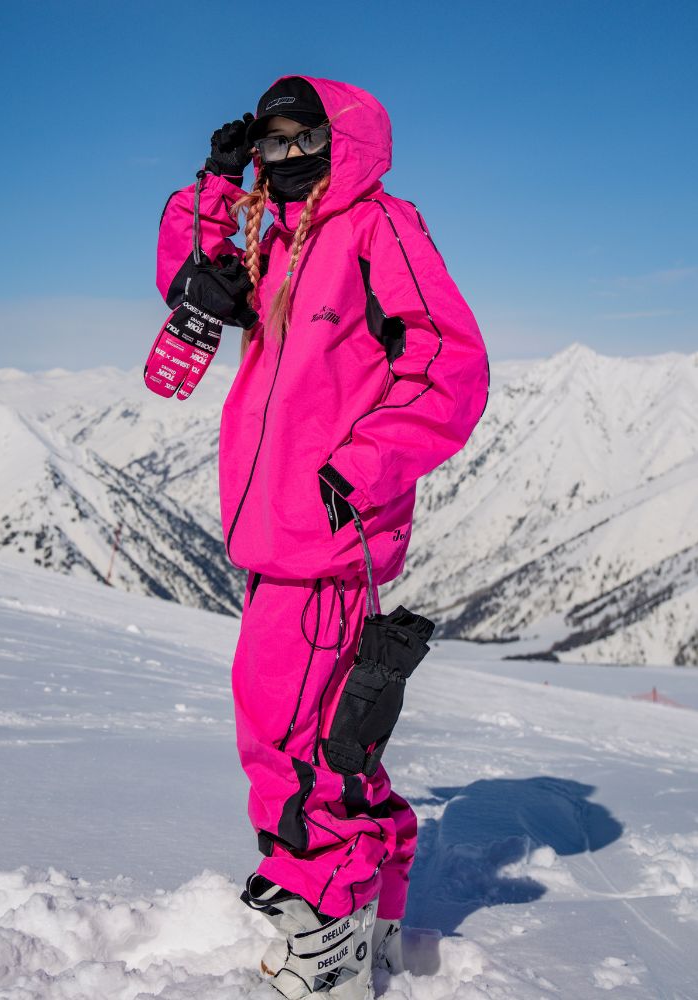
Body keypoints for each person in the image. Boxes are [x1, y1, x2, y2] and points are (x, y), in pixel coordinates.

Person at [155, 74, 490, 999]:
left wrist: (361, 470)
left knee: (292, 742)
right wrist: (215, 187)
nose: (290, 155)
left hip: (327, 540)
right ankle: (374, 910)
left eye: (306, 139)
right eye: (273, 142)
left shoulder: (379, 228)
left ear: (344, 141)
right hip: (276, 533)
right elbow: (190, 282)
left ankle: (328, 928)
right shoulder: (277, 237)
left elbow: (451, 366)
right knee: (336, 742)